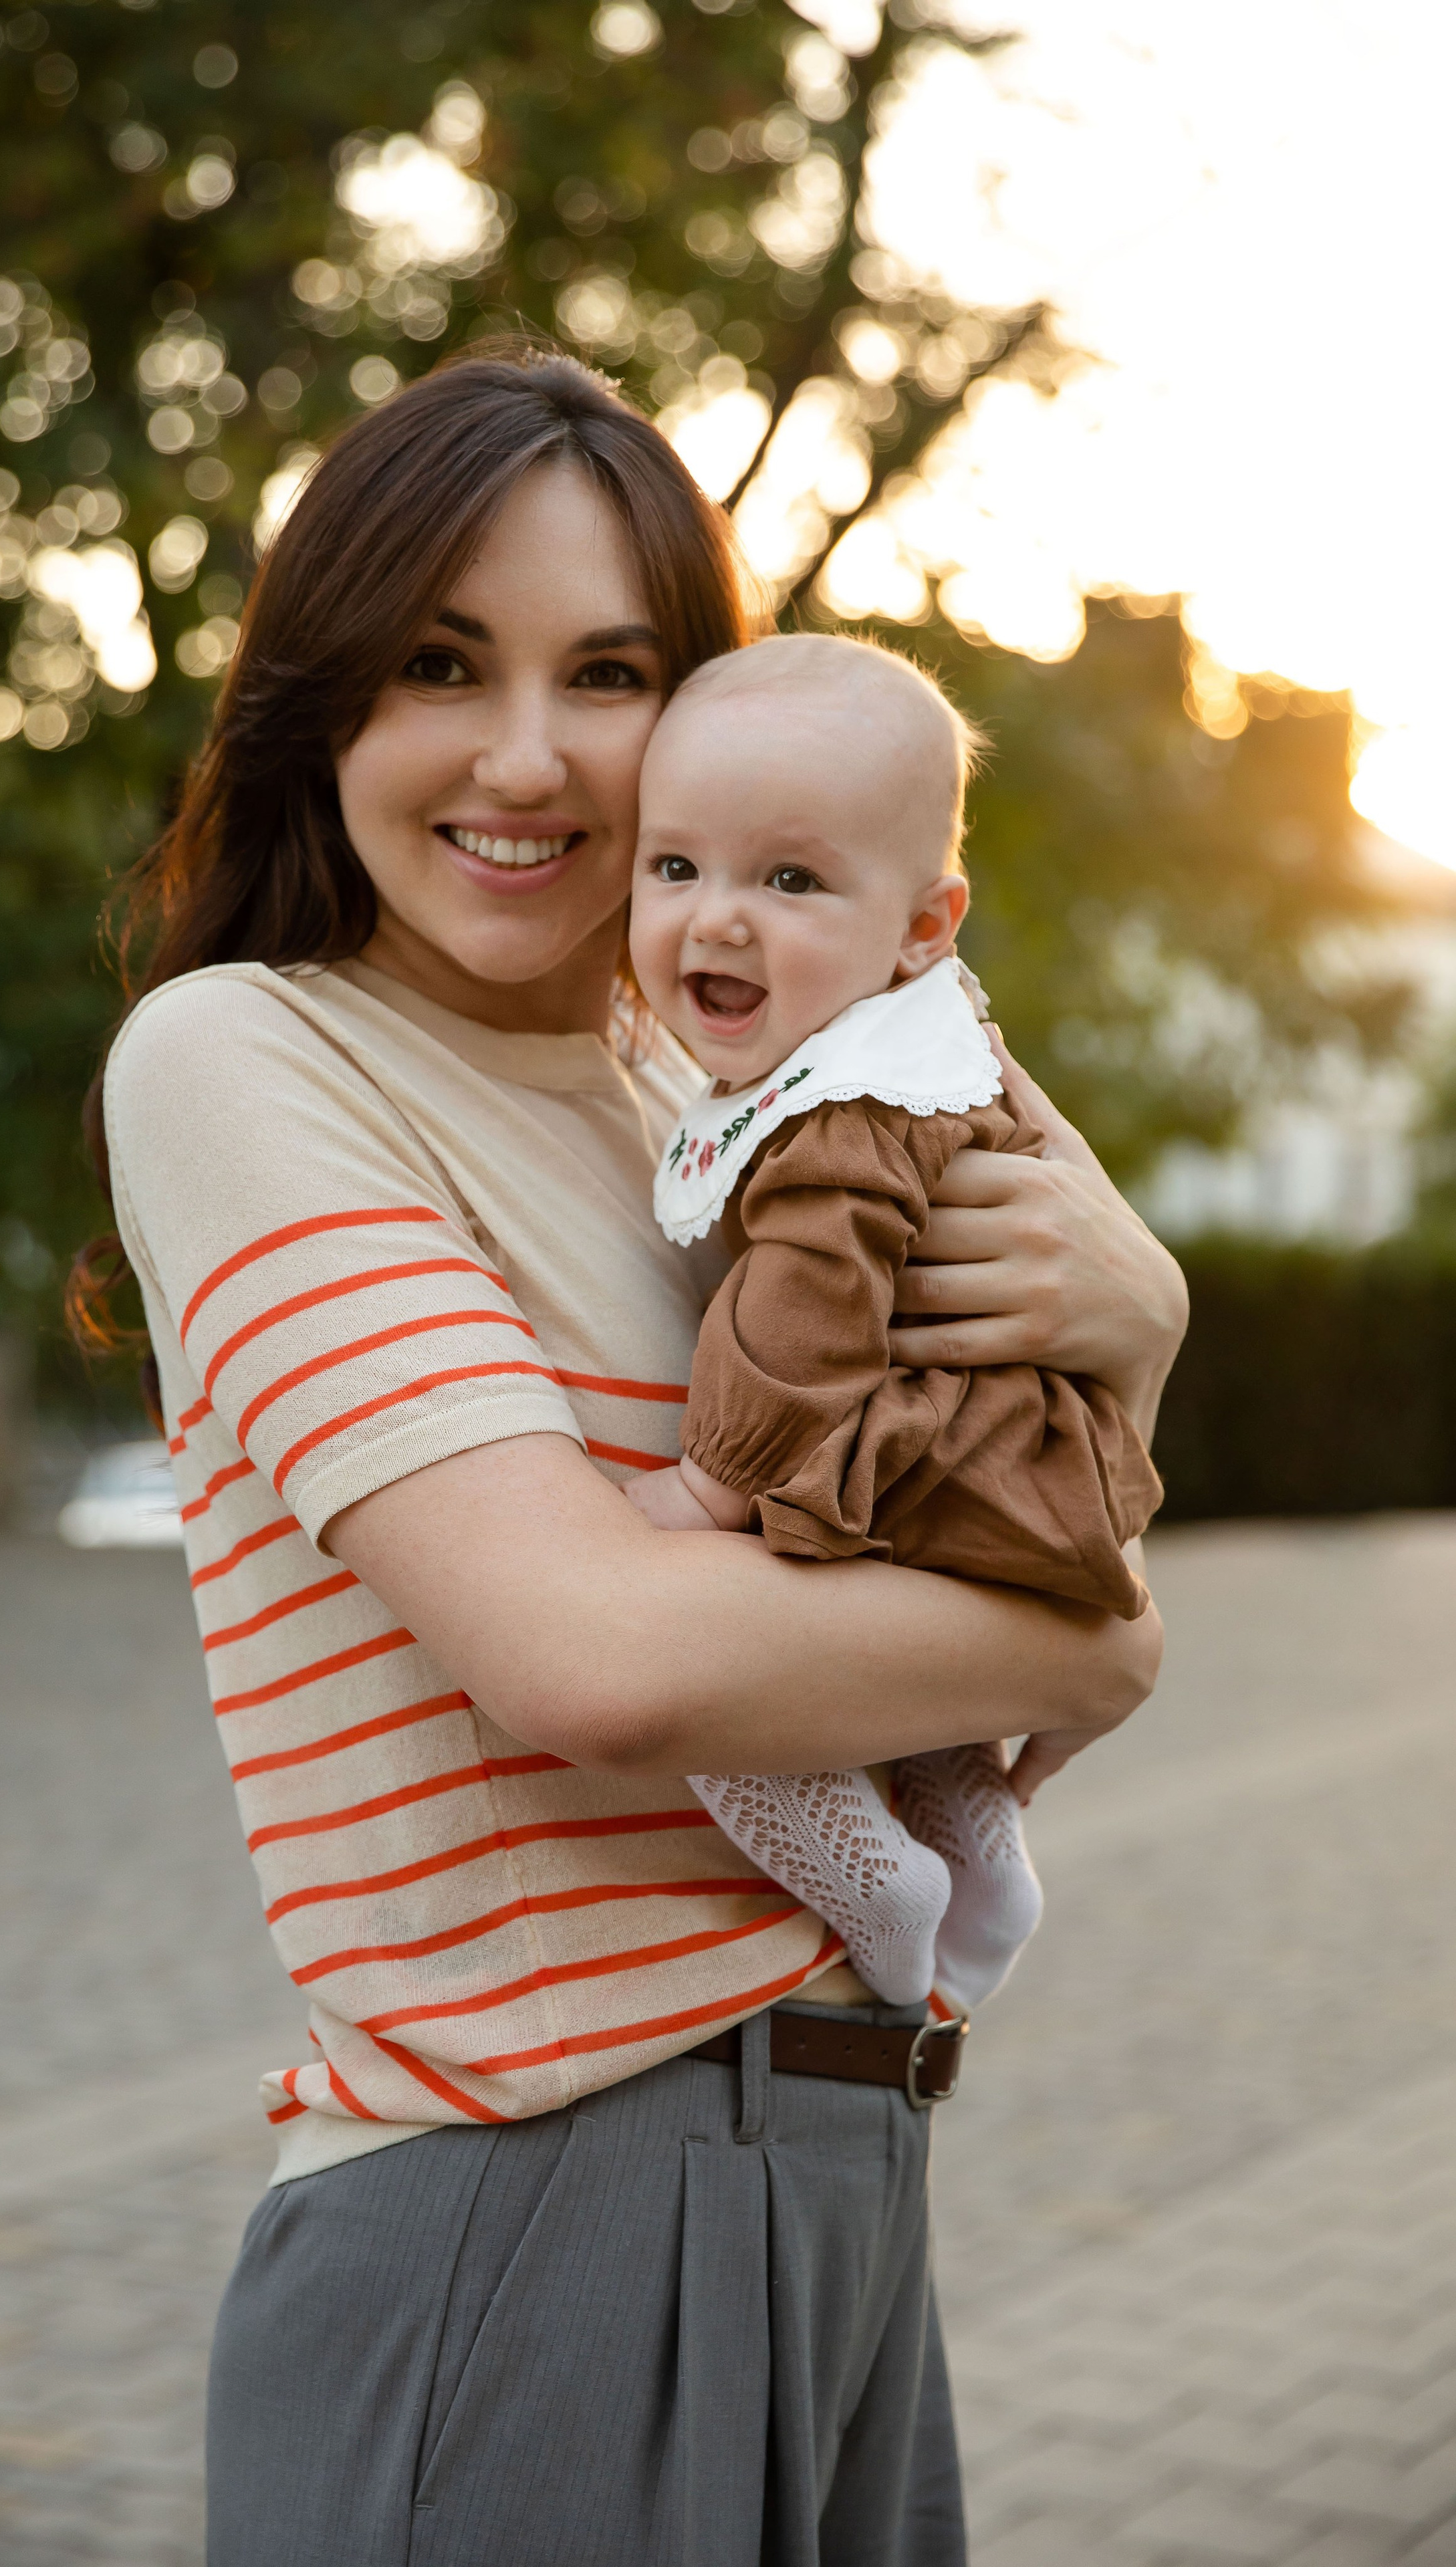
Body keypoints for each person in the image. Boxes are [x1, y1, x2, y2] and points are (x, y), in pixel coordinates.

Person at [74, 342, 1183, 2567]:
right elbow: (585, 1659)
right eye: (435, 666)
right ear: (326, 708)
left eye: (606, 672)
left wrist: (1135, 1323)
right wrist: (1098, 1654)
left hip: (848, 2169)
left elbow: (985, 1537)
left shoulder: (724, 1091)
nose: (522, 756)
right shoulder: (249, 1056)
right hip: (532, 2201)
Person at [620, 634, 1162, 2018]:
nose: (717, 919)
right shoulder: (913, 1047)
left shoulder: (839, 1115)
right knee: (912, 1710)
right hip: (1002, 1463)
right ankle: (979, 1848)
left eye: (789, 879)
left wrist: (707, 1483)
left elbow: (800, 1319)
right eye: (674, 867)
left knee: (729, 1699)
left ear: (922, 926)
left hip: (921, 1464)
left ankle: (880, 1884)